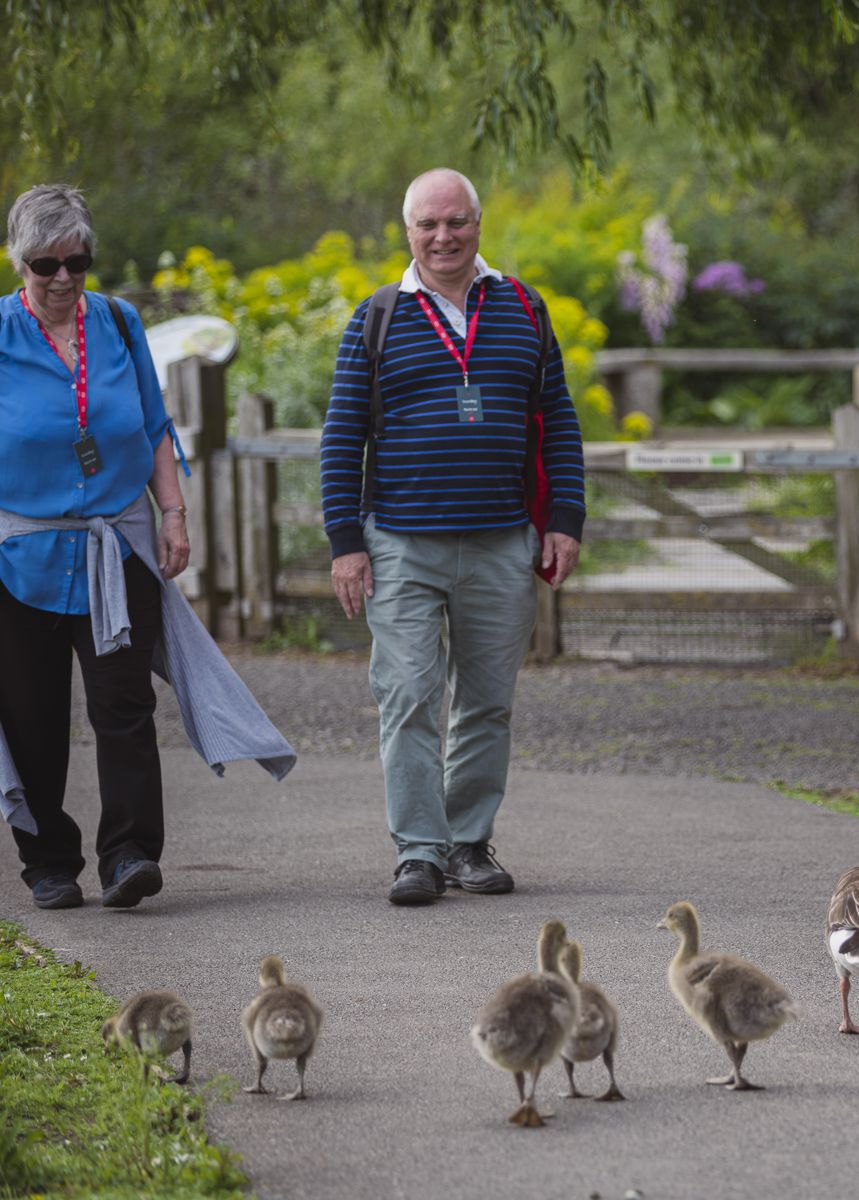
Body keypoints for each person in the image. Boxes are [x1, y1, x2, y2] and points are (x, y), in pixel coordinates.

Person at [0, 183, 295, 910]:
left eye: (79, 261)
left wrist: (174, 514)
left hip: (115, 548)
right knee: (32, 716)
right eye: (47, 265)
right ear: (19, 265)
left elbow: (156, 429)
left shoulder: (121, 324)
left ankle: (129, 853)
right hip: (21, 556)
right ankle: (48, 862)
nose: (65, 278)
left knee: (124, 707)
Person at [320, 168, 586, 906]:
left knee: (486, 701)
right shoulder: (376, 318)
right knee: (407, 693)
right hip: (401, 543)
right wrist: (346, 541)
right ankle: (419, 852)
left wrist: (564, 519)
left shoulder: (524, 308)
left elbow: (558, 419)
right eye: (428, 225)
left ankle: (468, 842)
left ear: (478, 224)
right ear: (407, 231)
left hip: (503, 540)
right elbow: (342, 437)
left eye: (457, 222)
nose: (444, 237)